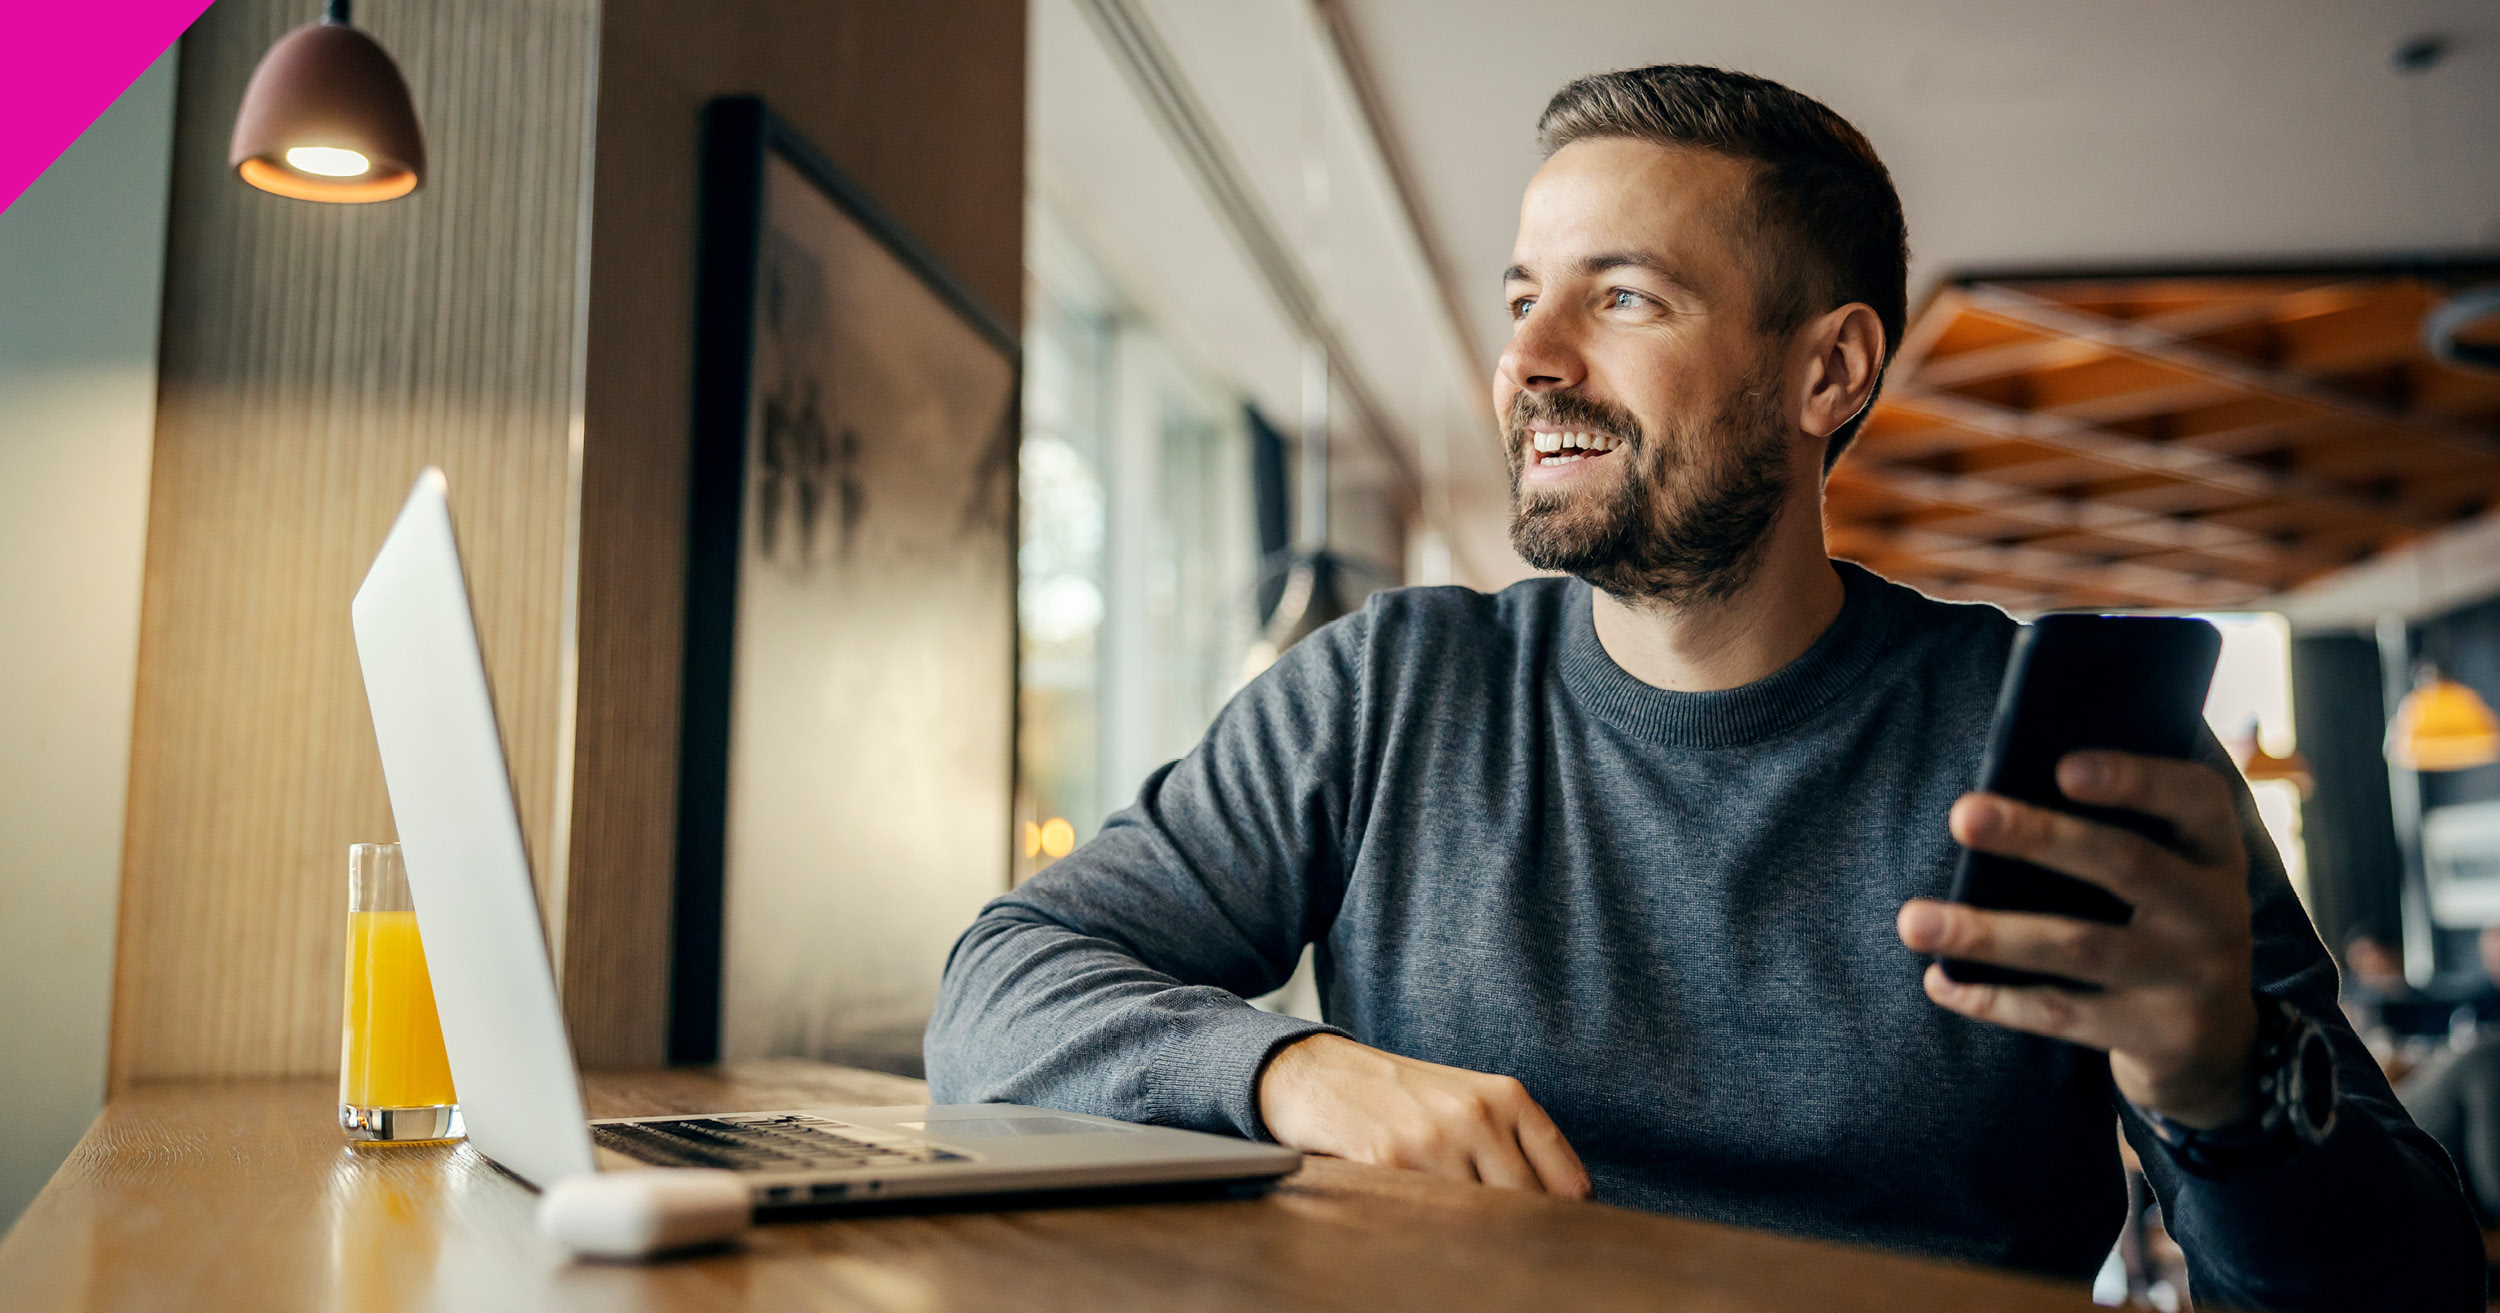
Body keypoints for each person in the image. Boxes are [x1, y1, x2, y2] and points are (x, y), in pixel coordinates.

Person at [925, 65, 2479, 1308]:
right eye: (1522, 292)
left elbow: (2406, 1287)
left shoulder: (2063, 757)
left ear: (1830, 373)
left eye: (1620, 297)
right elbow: (998, 989)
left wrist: (2223, 1096)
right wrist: (1292, 1071)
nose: (1527, 357)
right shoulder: (1384, 690)